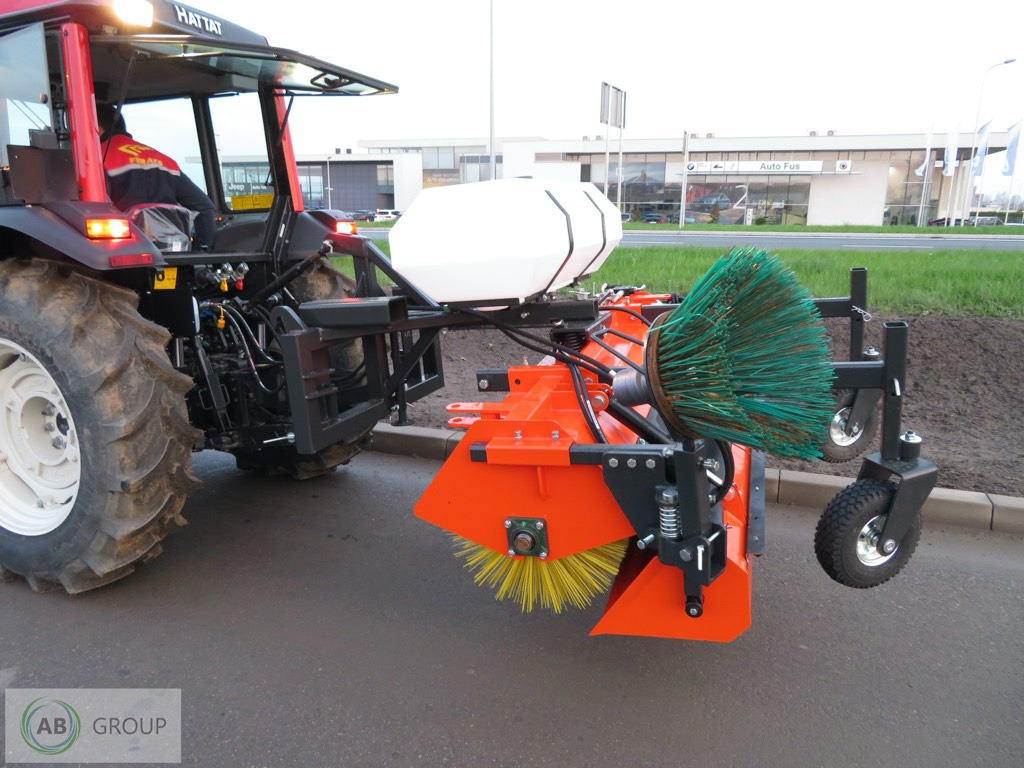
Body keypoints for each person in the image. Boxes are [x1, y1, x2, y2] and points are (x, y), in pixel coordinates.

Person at [96, 103, 216, 249]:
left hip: (123, 252)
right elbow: (205, 207)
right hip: (172, 253)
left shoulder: (96, 158)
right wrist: (200, 251)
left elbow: (95, 210)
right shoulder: (165, 161)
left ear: (96, 127)